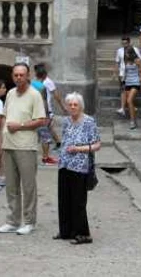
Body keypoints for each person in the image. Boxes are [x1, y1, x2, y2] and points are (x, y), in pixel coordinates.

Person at [0, 63, 48, 235]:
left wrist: (21, 126)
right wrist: (0, 141)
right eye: (16, 75)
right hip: (8, 145)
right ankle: (12, 220)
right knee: (11, 186)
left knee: (28, 186)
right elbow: (4, 118)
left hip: (26, 146)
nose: (18, 78)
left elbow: (41, 120)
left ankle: (29, 221)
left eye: (21, 75)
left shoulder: (35, 95)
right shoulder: (10, 93)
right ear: (12, 76)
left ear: (28, 76)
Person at [54, 92, 101, 245]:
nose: (73, 107)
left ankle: (83, 234)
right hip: (65, 164)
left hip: (80, 166)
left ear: (80, 106)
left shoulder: (89, 121)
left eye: (75, 104)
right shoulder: (67, 121)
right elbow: (64, 139)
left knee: (78, 201)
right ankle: (66, 231)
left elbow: (97, 145)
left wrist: (78, 149)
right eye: (70, 105)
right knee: (64, 199)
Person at [35, 64, 66, 150]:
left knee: (44, 128)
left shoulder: (48, 82)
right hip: (41, 108)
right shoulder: (39, 82)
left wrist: (63, 107)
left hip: (46, 109)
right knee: (49, 127)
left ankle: (48, 148)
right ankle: (58, 143)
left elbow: (56, 95)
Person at [114, 37, 141, 117]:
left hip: (133, 74)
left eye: (126, 43)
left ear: (129, 42)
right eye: (123, 43)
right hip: (123, 72)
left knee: (130, 90)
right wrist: (115, 73)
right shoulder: (119, 51)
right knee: (123, 90)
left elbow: (140, 59)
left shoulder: (135, 50)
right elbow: (117, 62)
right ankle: (123, 107)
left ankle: (131, 105)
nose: (124, 45)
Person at [123, 48, 141, 130]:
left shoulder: (137, 60)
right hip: (128, 82)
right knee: (130, 103)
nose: (126, 54)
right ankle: (134, 119)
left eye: (127, 53)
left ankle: (132, 121)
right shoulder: (126, 61)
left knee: (129, 100)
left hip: (135, 82)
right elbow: (125, 71)